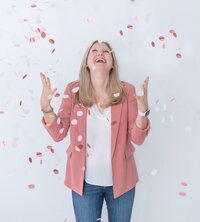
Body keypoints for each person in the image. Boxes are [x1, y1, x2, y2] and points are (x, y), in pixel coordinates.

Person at [40, 40, 150, 222]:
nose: (100, 53)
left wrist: (142, 111)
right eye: (95, 51)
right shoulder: (73, 90)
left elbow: (137, 138)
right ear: (86, 63)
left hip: (122, 182)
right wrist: (46, 108)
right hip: (85, 185)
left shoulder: (127, 91)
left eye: (106, 51)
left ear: (112, 63)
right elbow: (59, 133)